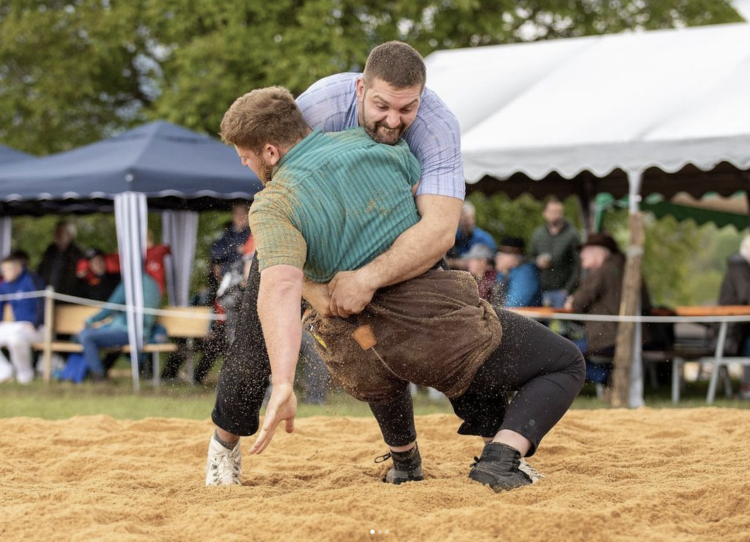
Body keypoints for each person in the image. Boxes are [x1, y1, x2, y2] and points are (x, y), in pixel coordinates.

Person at [220, 85, 585, 493]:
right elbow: (429, 218)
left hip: (356, 349)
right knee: (565, 362)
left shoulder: (271, 205)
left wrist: (284, 382)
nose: (247, 166)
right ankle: (500, 457)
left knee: (377, 349)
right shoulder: (377, 147)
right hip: (436, 333)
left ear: (270, 152)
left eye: (245, 157)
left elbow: (279, 288)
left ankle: (405, 463)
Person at [206, 41, 464, 486]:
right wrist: (317, 290)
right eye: (382, 105)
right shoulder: (318, 108)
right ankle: (222, 448)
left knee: (391, 345)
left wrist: (365, 279)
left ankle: (418, 459)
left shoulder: (437, 129)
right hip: (302, 247)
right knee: (254, 345)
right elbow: (281, 227)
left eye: (406, 110)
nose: (393, 120)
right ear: (361, 89)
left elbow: (438, 231)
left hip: (384, 243)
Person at [564, 233, 650, 382]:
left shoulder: (602, 272)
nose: (582, 255)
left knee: (561, 352)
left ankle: (606, 377)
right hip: (636, 334)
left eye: (586, 250)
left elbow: (578, 304)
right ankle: (607, 378)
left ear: (599, 253)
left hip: (607, 337)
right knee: (568, 350)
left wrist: (571, 301)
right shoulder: (627, 269)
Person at [76, 272, 161, 380]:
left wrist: (90, 320)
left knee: (86, 336)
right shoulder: (153, 284)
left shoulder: (131, 282)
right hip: (143, 332)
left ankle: (98, 376)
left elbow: (111, 306)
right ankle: (97, 372)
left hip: (128, 332)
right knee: (88, 335)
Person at [0, 254, 45, 384]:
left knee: (15, 338)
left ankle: (25, 376)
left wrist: (36, 323)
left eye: (7, 270)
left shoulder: (31, 280)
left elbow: (43, 302)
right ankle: (4, 372)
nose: (5, 273)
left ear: (18, 268)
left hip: (38, 328)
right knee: (14, 334)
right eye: (3, 270)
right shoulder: (5, 284)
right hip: (17, 326)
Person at [529, 198, 580, 308]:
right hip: (541, 289)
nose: (556, 215)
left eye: (559, 212)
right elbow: (530, 258)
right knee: (540, 324)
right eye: (552, 212)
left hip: (562, 290)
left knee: (563, 324)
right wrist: (537, 261)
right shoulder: (538, 234)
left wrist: (568, 289)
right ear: (545, 213)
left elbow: (578, 264)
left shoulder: (572, 235)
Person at [717, 234, 750, 399]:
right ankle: (747, 386)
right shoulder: (740, 267)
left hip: (738, 325)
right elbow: (746, 295)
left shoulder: (741, 266)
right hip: (732, 328)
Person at [37, 220, 85, 297]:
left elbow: (81, 276)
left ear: (70, 235)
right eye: (56, 232)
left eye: (60, 232)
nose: (57, 235)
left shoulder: (77, 252)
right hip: (49, 295)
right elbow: (41, 270)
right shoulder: (50, 250)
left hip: (69, 297)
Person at [492, 237, 542, 308]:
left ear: (514, 257)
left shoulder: (526, 274)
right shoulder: (503, 273)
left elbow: (514, 304)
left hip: (527, 318)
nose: (497, 258)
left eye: (503, 254)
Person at [447, 202, 497, 270]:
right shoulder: (454, 236)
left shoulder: (485, 239)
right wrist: (456, 263)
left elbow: (492, 262)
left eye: (468, 219)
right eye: (463, 220)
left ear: (473, 219)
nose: (466, 223)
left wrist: (457, 262)